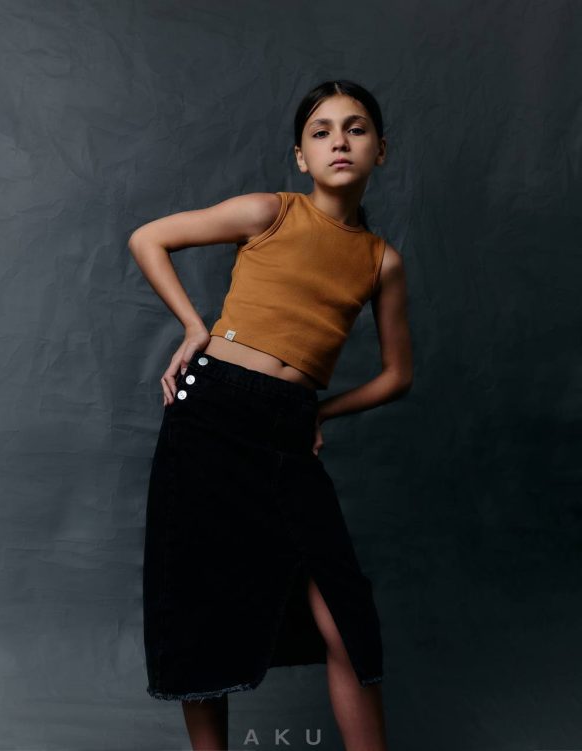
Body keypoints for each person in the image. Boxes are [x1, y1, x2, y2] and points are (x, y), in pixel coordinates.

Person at [128, 79, 413, 751]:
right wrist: (194, 326)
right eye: (321, 131)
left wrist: (321, 412)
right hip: (211, 415)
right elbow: (148, 237)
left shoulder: (382, 261)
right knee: (198, 600)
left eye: (355, 128)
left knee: (345, 611)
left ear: (380, 150)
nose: (339, 141)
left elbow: (398, 374)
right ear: (301, 157)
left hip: (287, 426)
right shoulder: (271, 211)